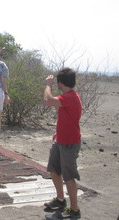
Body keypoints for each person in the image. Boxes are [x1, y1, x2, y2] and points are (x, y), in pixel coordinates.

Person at [43, 68, 82, 219]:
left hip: (69, 143)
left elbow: (48, 100)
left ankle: (74, 210)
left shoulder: (71, 97)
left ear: (60, 82)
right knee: (53, 169)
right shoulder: (67, 96)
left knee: (69, 176)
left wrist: (48, 85)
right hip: (60, 139)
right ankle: (60, 200)